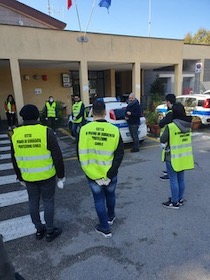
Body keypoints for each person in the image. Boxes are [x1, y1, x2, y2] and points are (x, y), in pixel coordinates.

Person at [11, 104, 65, 242]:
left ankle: (39, 229)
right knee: (48, 202)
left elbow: (14, 158)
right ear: (37, 116)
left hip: (28, 177)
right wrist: (61, 175)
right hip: (46, 176)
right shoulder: (46, 132)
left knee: (33, 202)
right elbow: (57, 156)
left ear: (23, 117)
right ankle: (50, 231)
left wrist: (19, 176)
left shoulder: (16, 134)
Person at [78, 100, 124, 237]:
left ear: (92, 112)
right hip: (110, 173)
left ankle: (104, 227)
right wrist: (110, 173)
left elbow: (80, 154)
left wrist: (91, 174)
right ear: (105, 112)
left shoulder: (84, 130)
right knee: (110, 195)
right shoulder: (114, 129)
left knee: (98, 200)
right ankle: (110, 217)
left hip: (93, 174)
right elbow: (119, 153)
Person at [160, 102, 194, 209]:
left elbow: (163, 139)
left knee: (173, 180)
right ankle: (179, 199)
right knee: (181, 179)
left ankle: (174, 202)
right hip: (184, 157)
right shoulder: (188, 126)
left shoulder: (171, 127)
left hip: (172, 157)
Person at [158, 94, 176, 181]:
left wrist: (161, 121)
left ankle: (170, 173)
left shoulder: (170, 113)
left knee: (168, 155)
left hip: (169, 136)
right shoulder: (176, 110)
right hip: (175, 136)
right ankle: (170, 171)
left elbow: (162, 123)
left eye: (166, 101)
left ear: (168, 102)